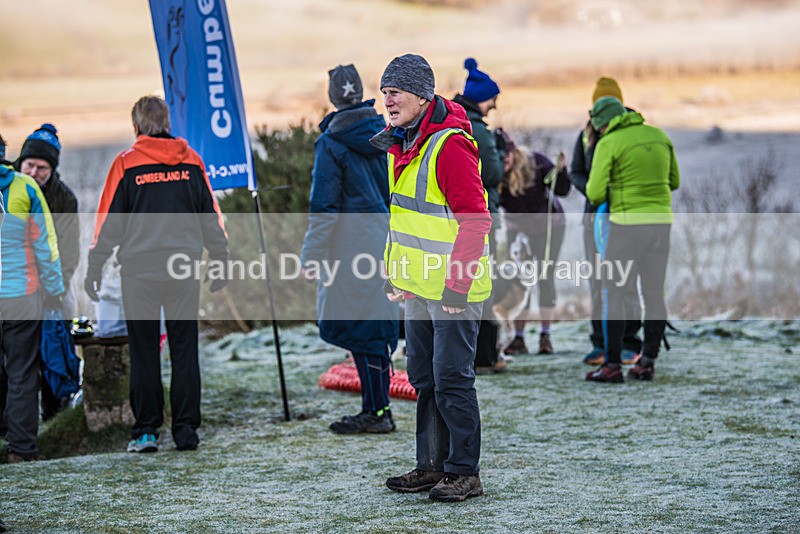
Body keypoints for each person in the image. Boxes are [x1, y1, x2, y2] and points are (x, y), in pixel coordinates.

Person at [371, 54, 491, 502]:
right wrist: (395, 275)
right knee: (423, 377)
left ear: (421, 95)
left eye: (395, 91)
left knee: (452, 378)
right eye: (384, 92)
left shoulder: (450, 145)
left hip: (453, 289)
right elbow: (402, 221)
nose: (388, 100)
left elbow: (475, 222)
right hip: (417, 288)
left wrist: (457, 286)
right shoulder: (401, 146)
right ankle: (431, 467)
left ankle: (465, 472)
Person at [85, 96, 229, 452]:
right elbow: (210, 215)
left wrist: (95, 264)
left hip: (140, 272)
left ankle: (146, 432)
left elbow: (108, 223)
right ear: (167, 123)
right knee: (184, 350)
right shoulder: (191, 160)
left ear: (136, 126)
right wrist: (222, 257)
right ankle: (185, 432)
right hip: (183, 270)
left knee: (145, 351)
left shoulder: (125, 163)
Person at [300, 64, 399, 434]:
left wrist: (311, 254)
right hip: (386, 240)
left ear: (333, 97)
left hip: (349, 249)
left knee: (361, 329)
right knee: (374, 324)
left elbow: (323, 206)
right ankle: (376, 409)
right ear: (360, 93)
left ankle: (377, 413)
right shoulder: (386, 134)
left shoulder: (331, 143)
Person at [584, 97, 680, 382]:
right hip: (661, 225)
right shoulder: (659, 135)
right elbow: (673, 181)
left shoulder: (609, 143)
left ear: (602, 124)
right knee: (654, 293)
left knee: (613, 292)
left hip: (626, 227)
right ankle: (647, 361)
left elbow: (594, 192)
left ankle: (612, 365)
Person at [568, 77, 642, 366]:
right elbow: (575, 171)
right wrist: (592, 190)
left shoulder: (630, 133)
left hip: (625, 217)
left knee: (627, 279)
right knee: (598, 282)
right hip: (593, 219)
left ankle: (629, 342)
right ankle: (600, 343)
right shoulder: (585, 137)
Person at [0, 133, 64, 463]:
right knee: (23, 373)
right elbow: (47, 248)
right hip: (21, 296)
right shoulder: (24, 188)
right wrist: (54, 290)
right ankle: (21, 450)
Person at [13, 123, 80, 420]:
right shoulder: (9, 188)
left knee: (58, 334)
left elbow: (69, 251)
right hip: (14, 283)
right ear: (21, 161)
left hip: (52, 283)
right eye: (30, 165)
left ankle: (57, 409)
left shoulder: (64, 199)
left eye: (42, 167)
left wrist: (55, 288)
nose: (35, 173)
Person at [496, 129, 570, 355]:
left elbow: (563, 190)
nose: (504, 163)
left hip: (549, 227)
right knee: (519, 279)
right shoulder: (492, 171)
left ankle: (545, 336)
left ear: (513, 153)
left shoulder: (535, 163)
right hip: (517, 229)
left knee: (544, 277)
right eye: (499, 159)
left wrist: (561, 171)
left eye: (506, 157)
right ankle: (518, 338)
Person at [452, 57, 506, 374]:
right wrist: (500, 152)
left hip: (457, 219)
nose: (494, 106)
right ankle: (485, 354)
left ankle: (473, 354)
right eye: (493, 99)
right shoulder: (480, 133)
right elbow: (494, 173)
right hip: (482, 215)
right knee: (483, 283)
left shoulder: (455, 123)